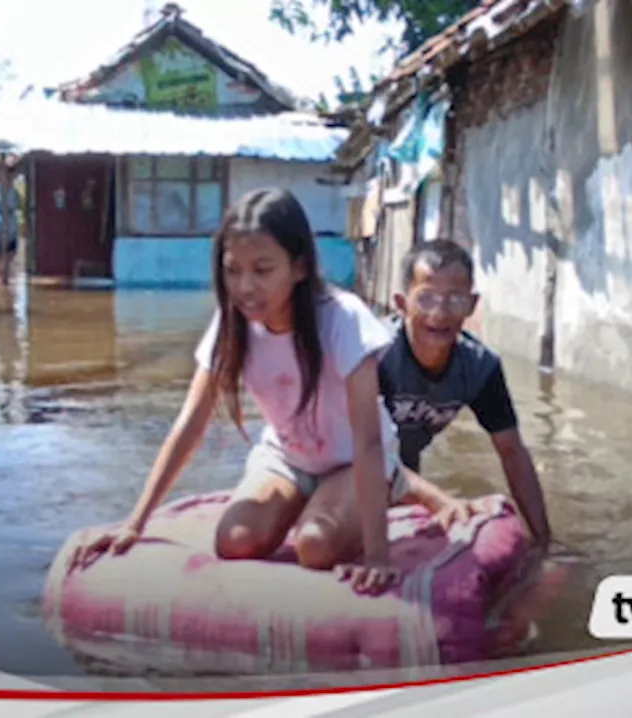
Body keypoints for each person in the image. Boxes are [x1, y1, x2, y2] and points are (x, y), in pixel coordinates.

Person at [81, 188, 465, 595]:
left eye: (262, 270)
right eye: (233, 270)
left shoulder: (342, 318)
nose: (245, 287)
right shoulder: (232, 325)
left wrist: (377, 556)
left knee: (315, 546)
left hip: (353, 462)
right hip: (288, 458)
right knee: (235, 540)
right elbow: (190, 425)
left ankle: (399, 484)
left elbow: (368, 440)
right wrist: (135, 523)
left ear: (298, 267)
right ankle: (312, 498)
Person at [378, 239, 553, 553]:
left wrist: (543, 543)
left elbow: (512, 452)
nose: (441, 313)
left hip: (404, 469)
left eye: (455, 300)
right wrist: (442, 502)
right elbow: (357, 449)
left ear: (472, 306)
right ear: (402, 304)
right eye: (426, 299)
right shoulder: (374, 355)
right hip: (351, 463)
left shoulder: (480, 368)